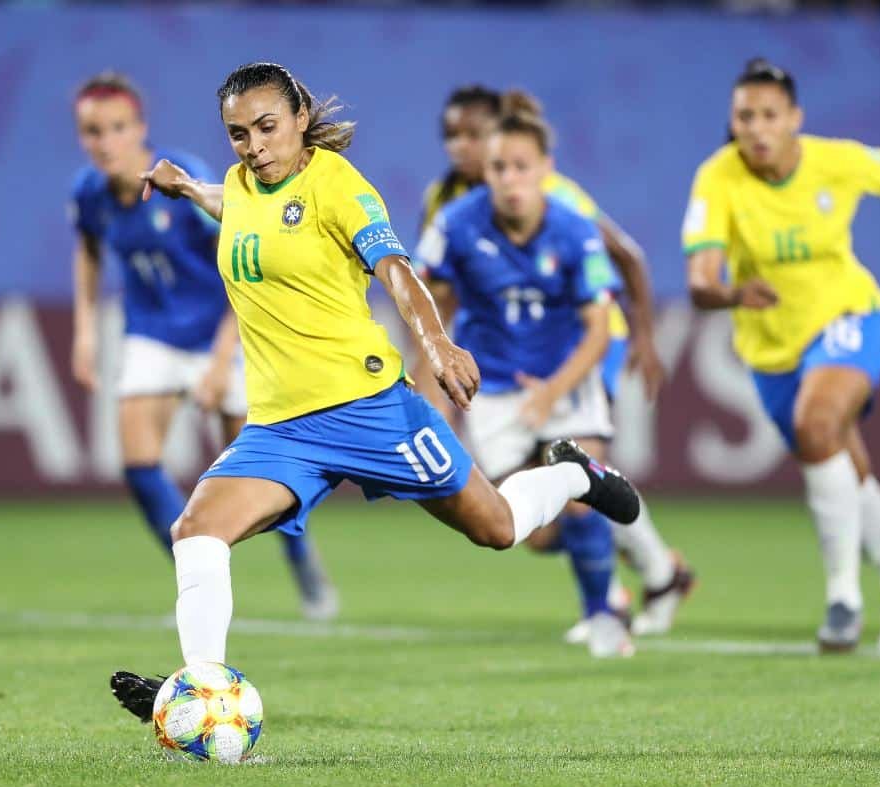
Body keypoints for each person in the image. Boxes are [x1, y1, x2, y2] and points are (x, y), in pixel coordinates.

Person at [109, 62, 641, 720]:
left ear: (301, 118)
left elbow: (395, 267)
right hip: (281, 429)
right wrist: (189, 188)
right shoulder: (245, 185)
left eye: (268, 127)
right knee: (195, 530)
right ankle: (204, 693)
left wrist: (437, 342)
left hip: (370, 409)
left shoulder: (337, 185)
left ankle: (574, 475)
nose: (255, 145)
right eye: (238, 134)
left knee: (497, 527)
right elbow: (238, 205)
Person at [417, 85, 693, 638]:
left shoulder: (564, 206)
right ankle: (656, 568)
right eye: (453, 136)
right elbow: (431, 293)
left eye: (471, 134)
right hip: (496, 369)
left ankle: (606, 605)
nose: (459, 147)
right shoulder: (449, 209)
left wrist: (641, 335)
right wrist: (432, 372)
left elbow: (626, 260)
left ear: (539, 164)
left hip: (577, 350)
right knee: (527, 524)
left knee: (575, 482)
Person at [683, 58, 880, 653]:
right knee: (840, 461)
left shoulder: (836, 161)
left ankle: (843, 599)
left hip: (850, 316)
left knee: (817, 422)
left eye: (770, 115)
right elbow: (700, 280)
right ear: (732, 120)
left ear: (795, 118)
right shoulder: (717, 178)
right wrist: (732, 293)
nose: (757, 128)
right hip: (771, 348)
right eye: (745, 116)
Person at [68, 71, 337, 619]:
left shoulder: (184, 178)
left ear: (139, 128)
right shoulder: (90, 193)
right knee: (140, 466)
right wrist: (85, 332)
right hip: (151, 333)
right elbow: (90, 250)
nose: (105, 142)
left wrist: (220, 361)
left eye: (117, 128)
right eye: (92, 131)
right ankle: (195, 584)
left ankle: (300, 554)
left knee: (262, 477)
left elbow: (247, 261)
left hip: (224, 327)